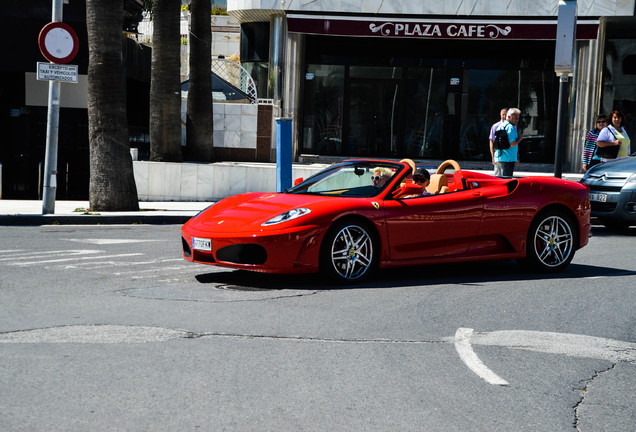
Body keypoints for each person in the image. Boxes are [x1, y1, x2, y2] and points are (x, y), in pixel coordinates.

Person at [494, 107, 523, 177]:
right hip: (508, 159)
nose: (517, 120)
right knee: (506, 182)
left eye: (518, 118)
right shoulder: (510, 128)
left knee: (498, 181)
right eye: (515, 118)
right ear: (509, 117)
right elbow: (512, 144)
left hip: (499, 157)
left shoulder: (501, 125)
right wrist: (520, 138)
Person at [489, 108, 507, 176]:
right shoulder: (495, 126)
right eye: (503, 115)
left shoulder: (513, 127)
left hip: (509, 157)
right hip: (498, 156)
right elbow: (491, 141)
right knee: (498, 177)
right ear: (500, 115)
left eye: (506, 114)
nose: (504, 116)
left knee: (507, 178)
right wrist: (493, 156)